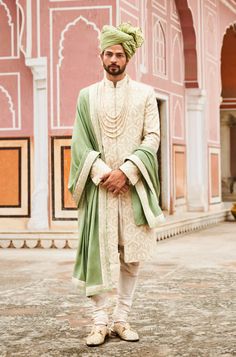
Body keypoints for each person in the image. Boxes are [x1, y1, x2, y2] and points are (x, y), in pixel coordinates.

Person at [68, 22, 164, 347]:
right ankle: (98, 322)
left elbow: (152, 137)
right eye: (108, 53)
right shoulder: (86, 97)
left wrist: (128, 170)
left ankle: (121, 319)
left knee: (130, 256)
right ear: (101, 55)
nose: (113, 59)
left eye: (119, 54)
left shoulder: (145, 94)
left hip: (131, 187)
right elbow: (79, 142)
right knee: (100, 253)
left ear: (128, 58)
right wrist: (101, 172)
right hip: (100, 189)